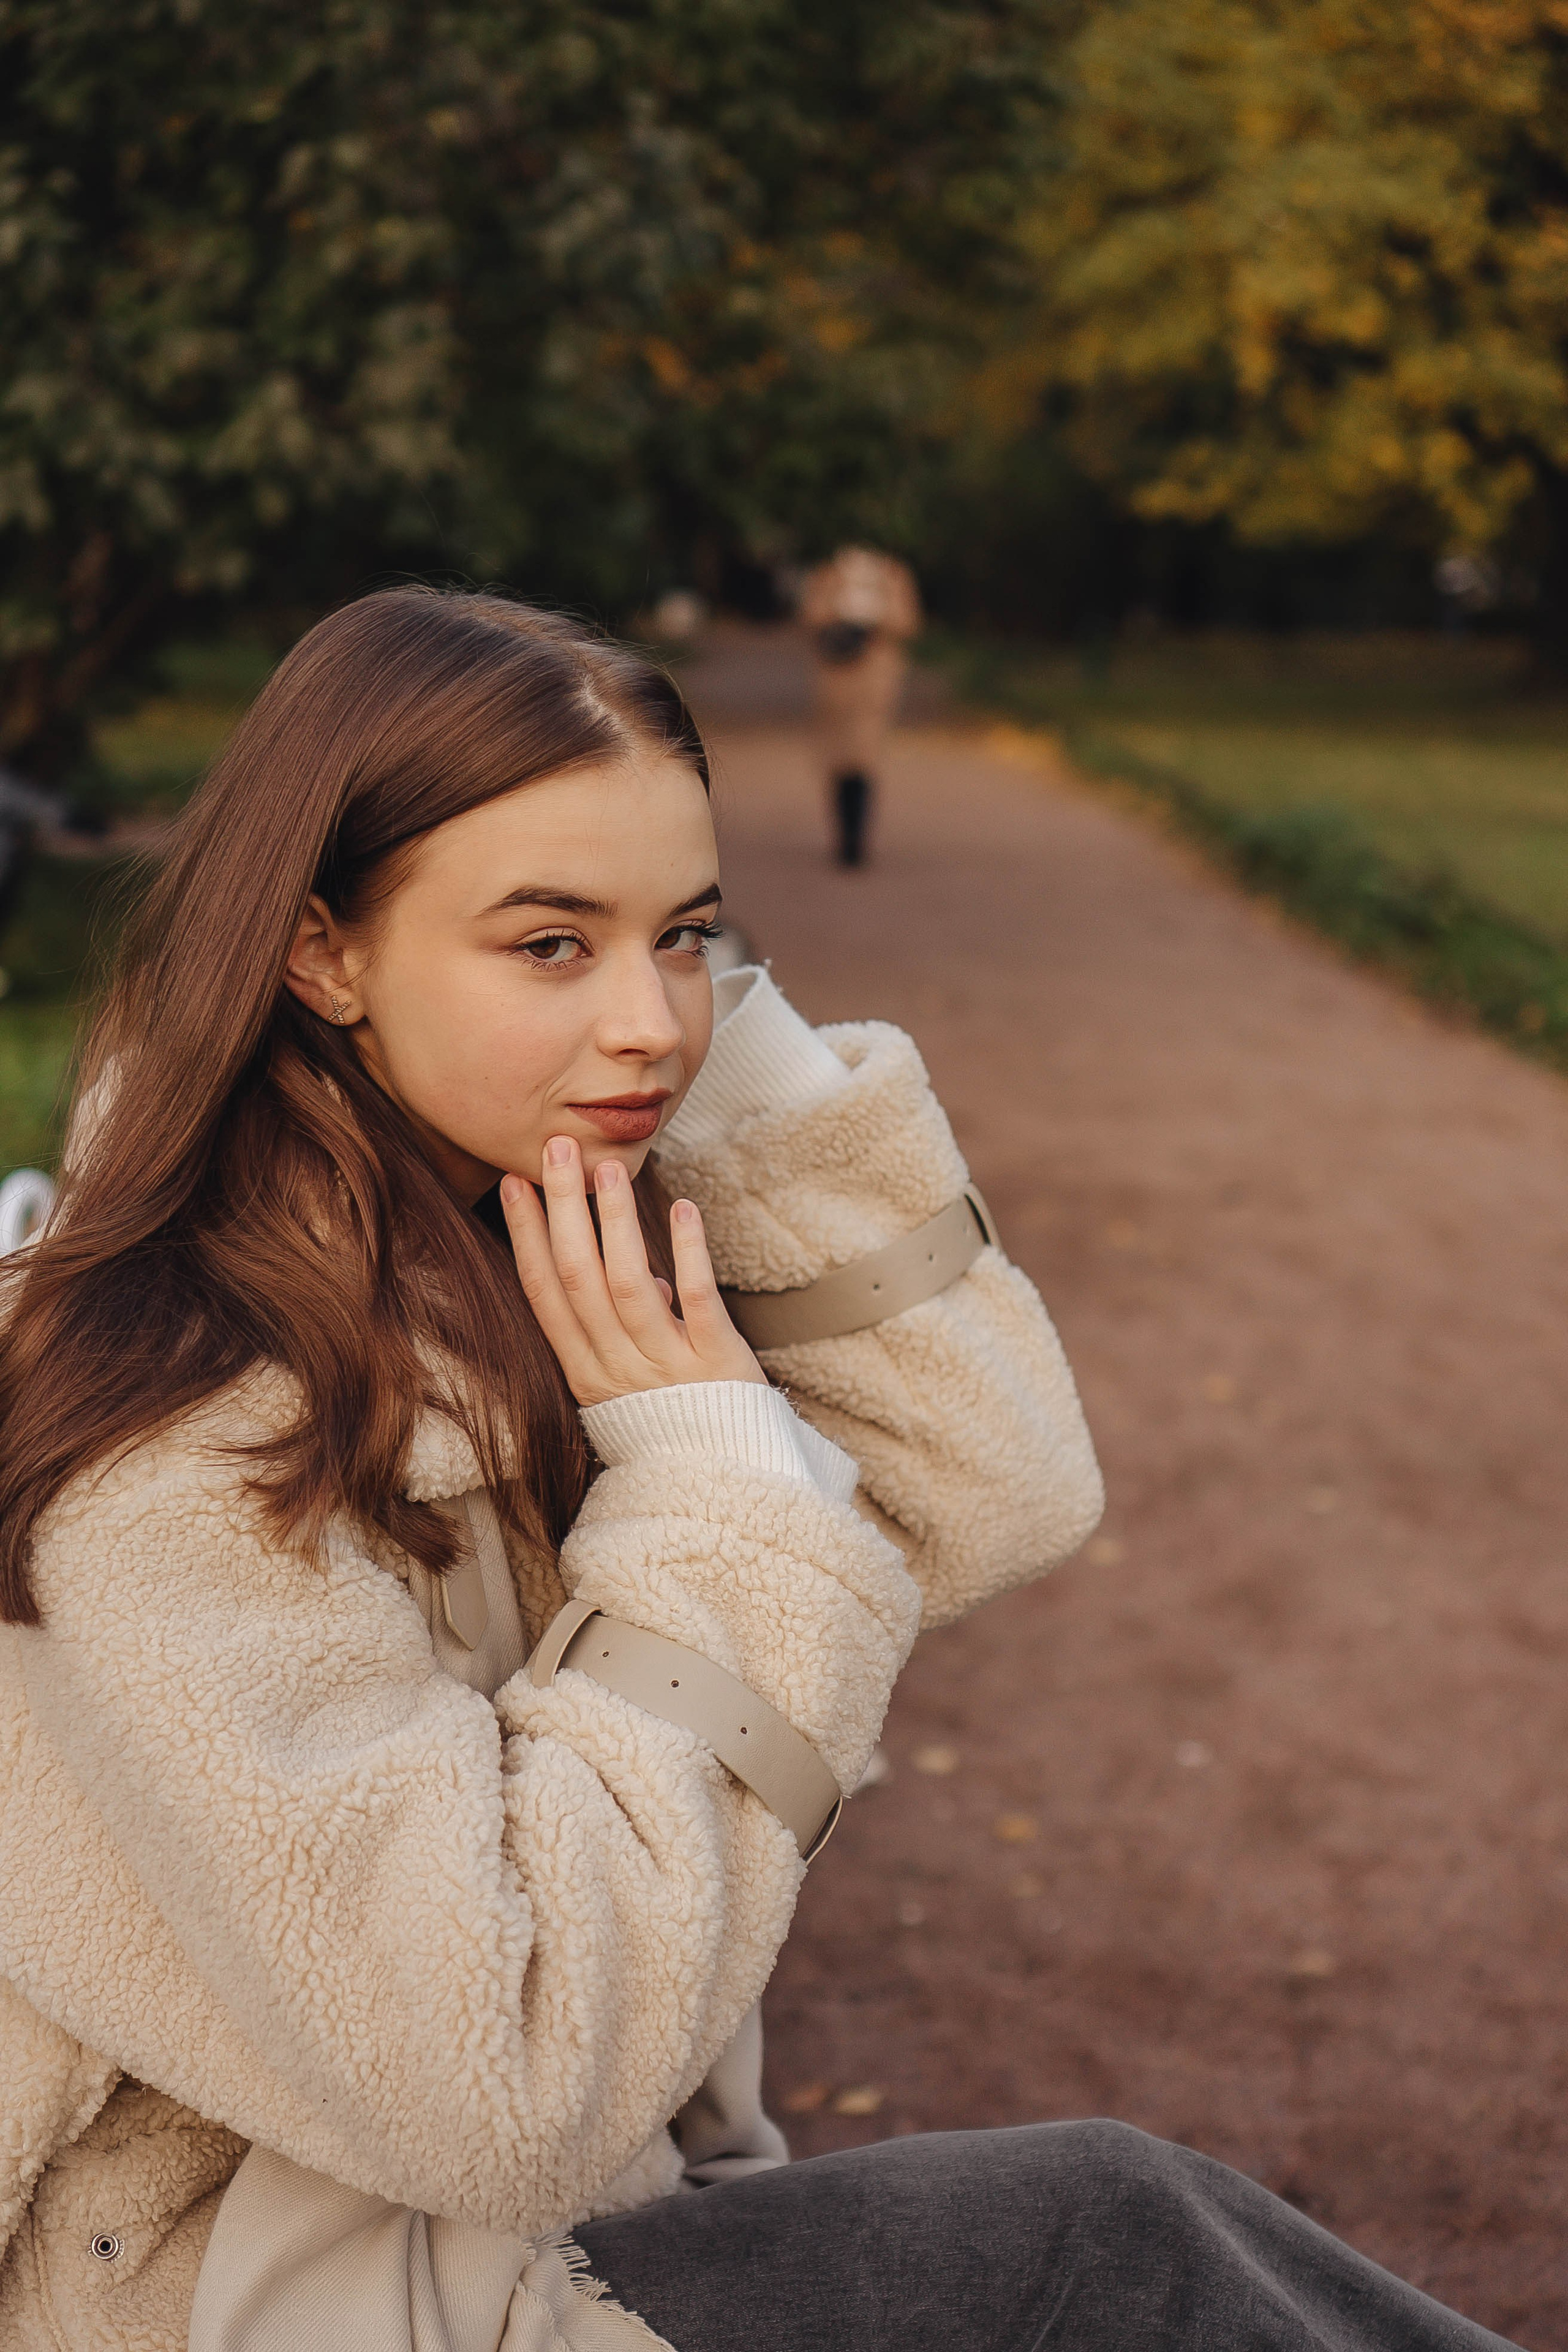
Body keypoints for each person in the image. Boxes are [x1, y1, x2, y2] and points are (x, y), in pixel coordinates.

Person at [0, 589, 1514, 2352]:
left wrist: (711, 1066)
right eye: (548, 942)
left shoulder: (511, 1244)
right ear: (322, 952)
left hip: (514, 2240)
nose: (653, 1019)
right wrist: (714, 1476)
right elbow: (502, 2075)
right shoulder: (168, 1419)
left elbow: (998, 1482)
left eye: (689, 937)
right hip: (249, 2302)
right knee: (1111, 2239)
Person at [799, 546, 920, 867]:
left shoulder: (893, 576)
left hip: (876, 688)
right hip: (836, 683)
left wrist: (872, 617)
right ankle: (843, 837)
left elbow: (906, 623)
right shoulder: (828, 574)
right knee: (837, 761)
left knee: (864, 760)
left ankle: (857, 840)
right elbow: (811, 617)